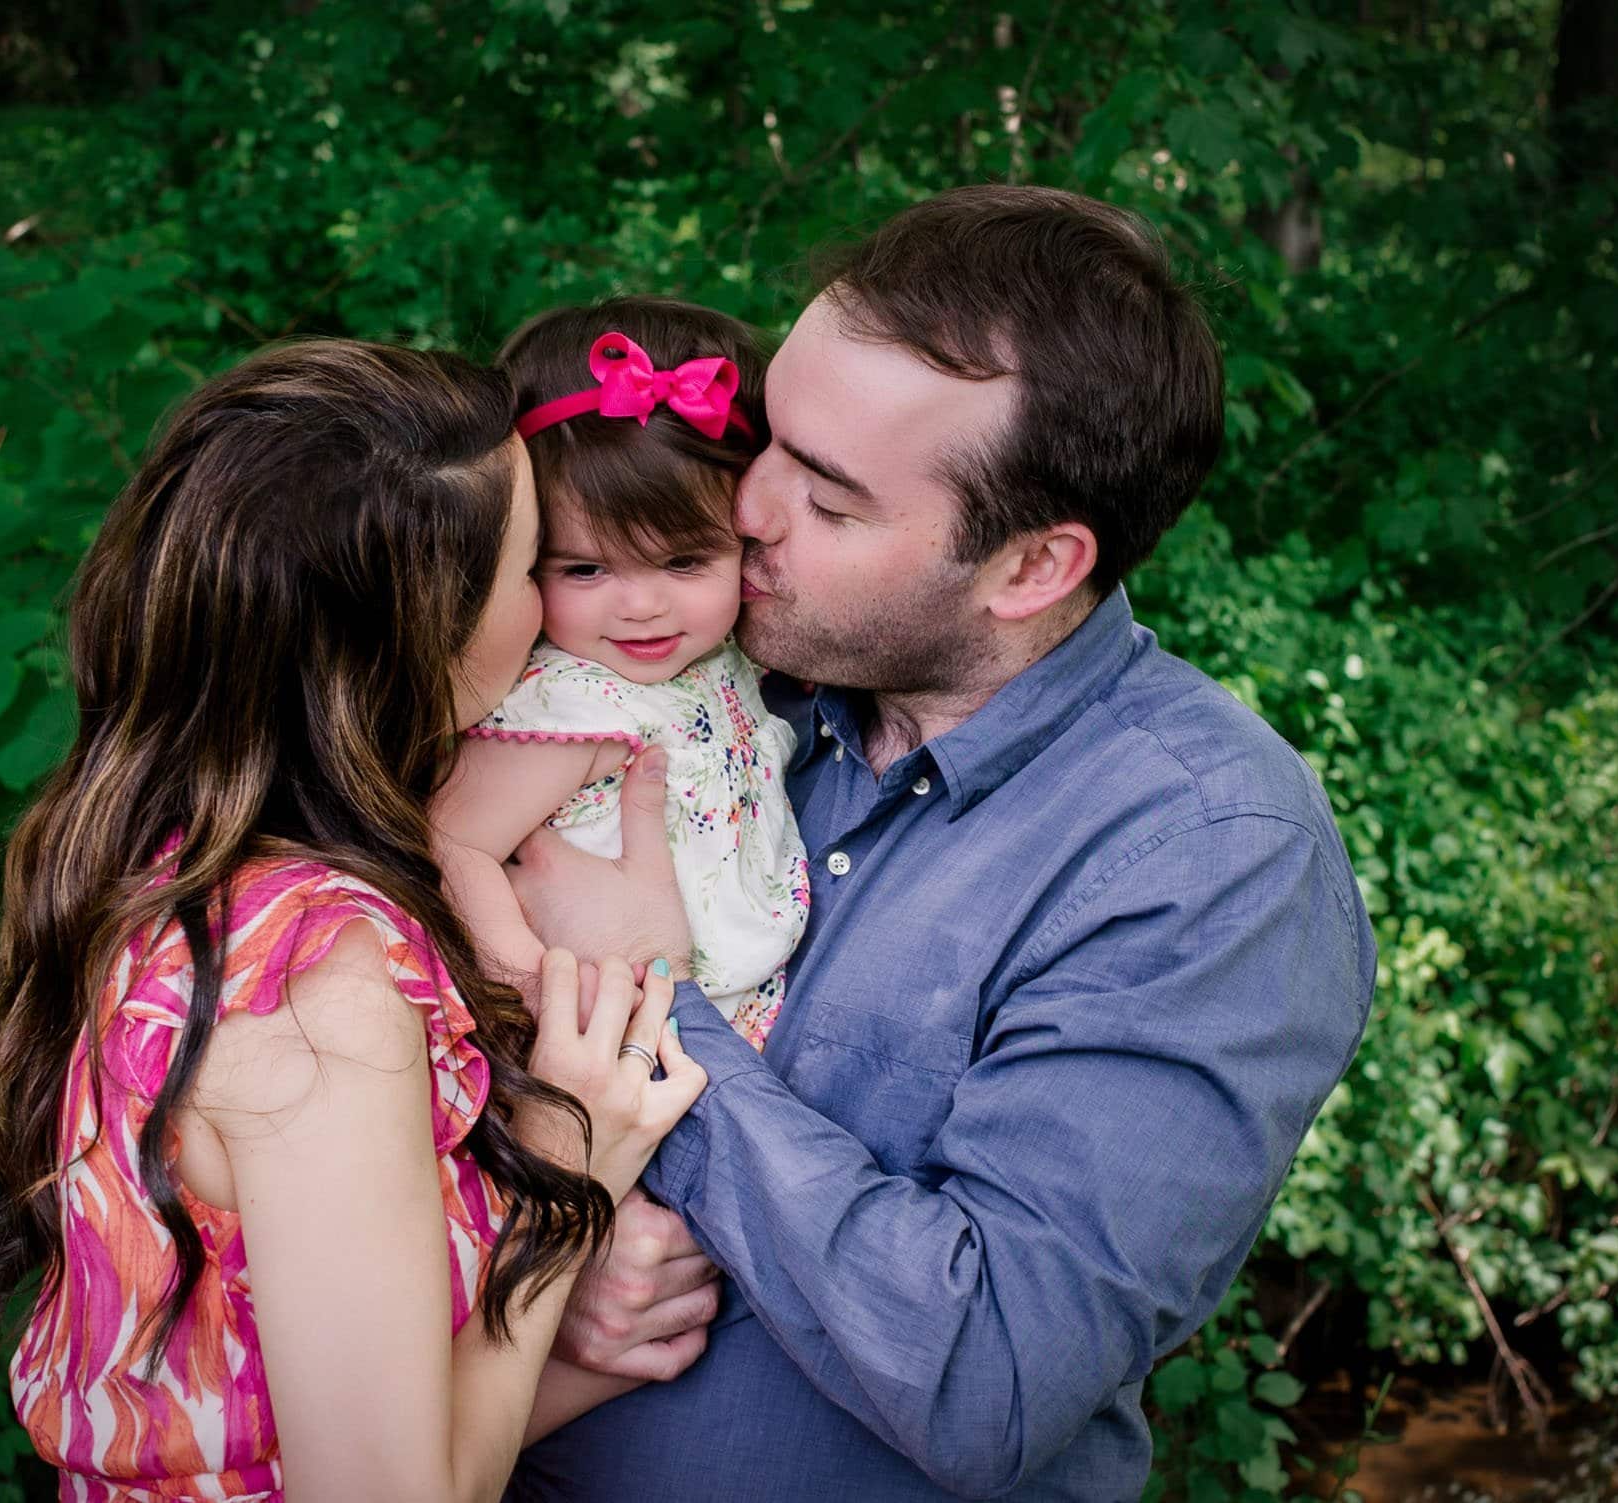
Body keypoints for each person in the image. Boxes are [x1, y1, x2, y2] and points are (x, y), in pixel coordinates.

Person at [506, 185, 1378, 1501]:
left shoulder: (1202, 854)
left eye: (833, 500)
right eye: (771, 440)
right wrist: (530, 1279)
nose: (745, 509)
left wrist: (654, 1012)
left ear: (1030, 567)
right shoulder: (686, 676)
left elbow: (989, 1372)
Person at [0, 339, 705, 1503]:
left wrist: (582, 1355)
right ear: (430, 635)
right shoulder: (316, 985)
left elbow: (267, 1422)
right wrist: (567, 1175)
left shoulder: (163, 859)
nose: (556, 607)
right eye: (539, 565)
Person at [434, 297, 809, 1051]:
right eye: (585, 567)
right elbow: (449, 841)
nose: (642, 606)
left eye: (684, 560)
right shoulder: (572, 703)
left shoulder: (727, 652)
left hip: (741, 1012)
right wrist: (529, 980)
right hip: (611, 1026)